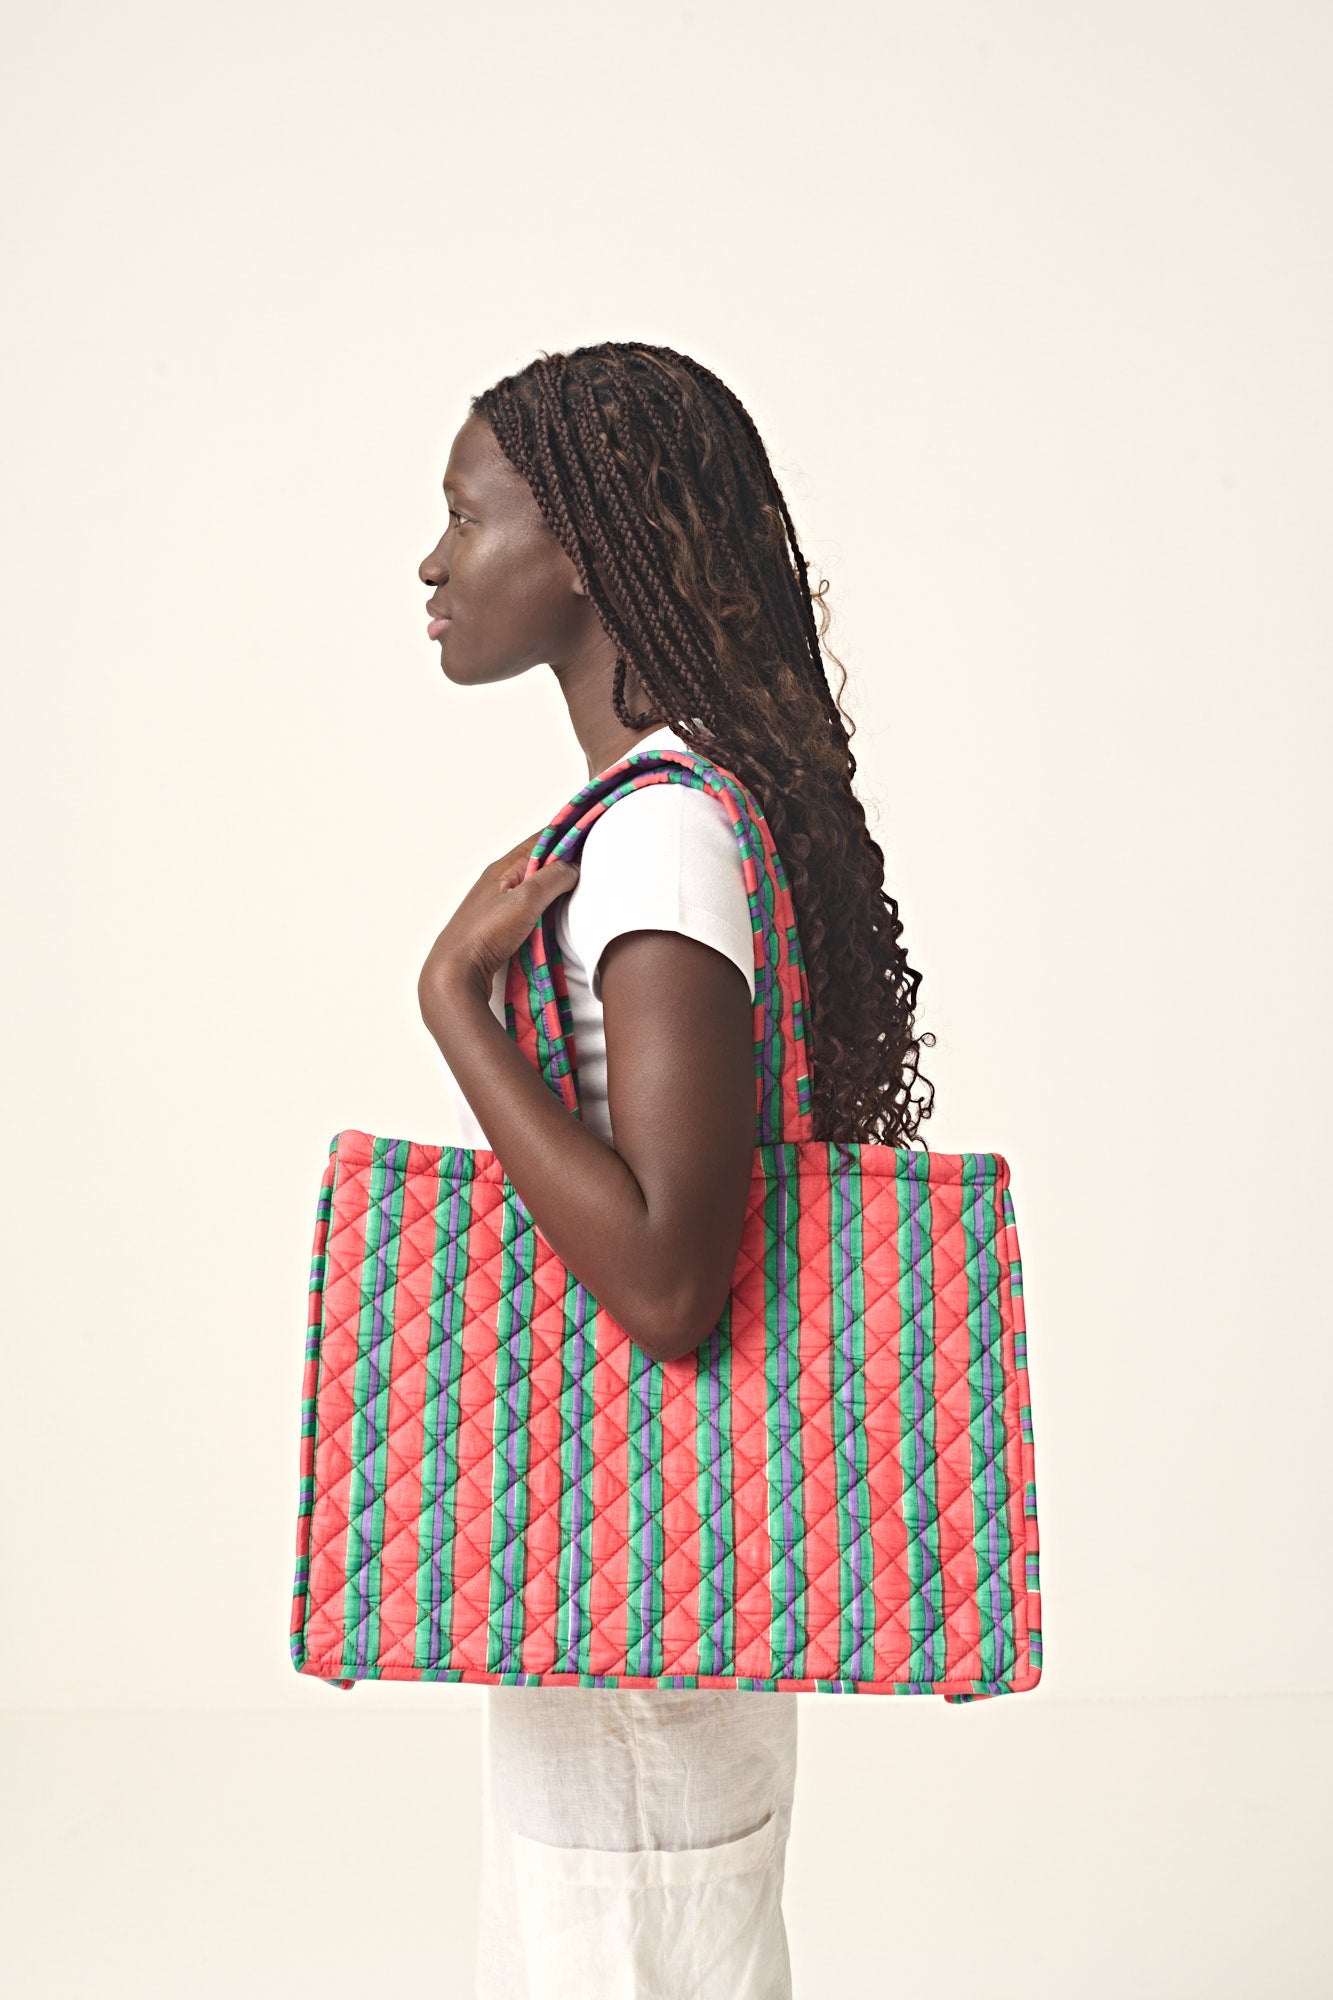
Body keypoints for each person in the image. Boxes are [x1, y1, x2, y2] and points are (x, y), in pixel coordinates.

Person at [414, 343, 935, 2000]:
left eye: (464, 516)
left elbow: (663, 1282)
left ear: (579, 544)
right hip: (636, 1591)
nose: (432, 562)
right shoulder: (668, 812)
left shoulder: (656, 838)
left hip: (635, 1612)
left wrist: (451, 1005)